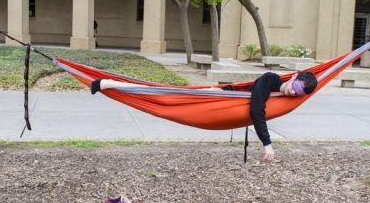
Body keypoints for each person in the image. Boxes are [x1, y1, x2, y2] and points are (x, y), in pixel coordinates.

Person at [90, 70, 318, 163]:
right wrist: (267, 144)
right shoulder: (270, 79)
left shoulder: (283, 95)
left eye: (298, 93)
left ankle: (109, 84)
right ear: (294, 76)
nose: (292, 92)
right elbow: (256, 111)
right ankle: (108, 83)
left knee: (165, 96)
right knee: (165, 95)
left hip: (219, 104)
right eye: (295, 85)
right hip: (217, 99)